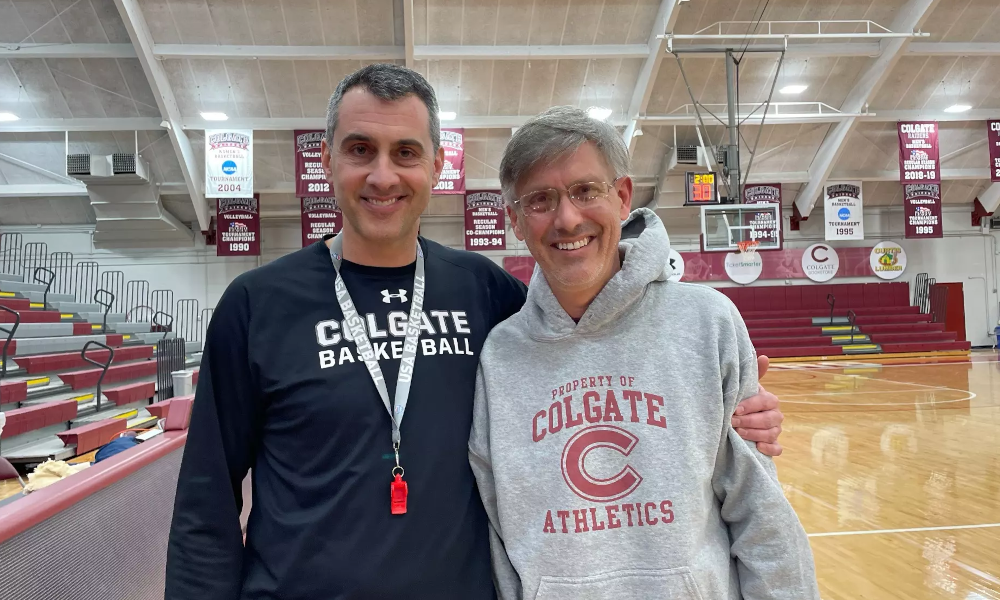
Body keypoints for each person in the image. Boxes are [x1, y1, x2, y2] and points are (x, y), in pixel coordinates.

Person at [164, 64, 786, 600]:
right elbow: (206, 505)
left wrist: (734, 409)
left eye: (406, 152)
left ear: (437, 165)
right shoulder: (256, 305)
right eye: (360, 150)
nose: (383, 175)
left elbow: (589, 336)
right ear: (327, 159)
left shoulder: (483, 291)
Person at [468, 106, 819, 599]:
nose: (568, 219)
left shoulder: (707, 321)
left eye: (585, 191)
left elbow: (760, 513)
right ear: (516, 221)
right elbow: (497, 530)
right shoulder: (499, 356)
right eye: (541, 200)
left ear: (622, 197)